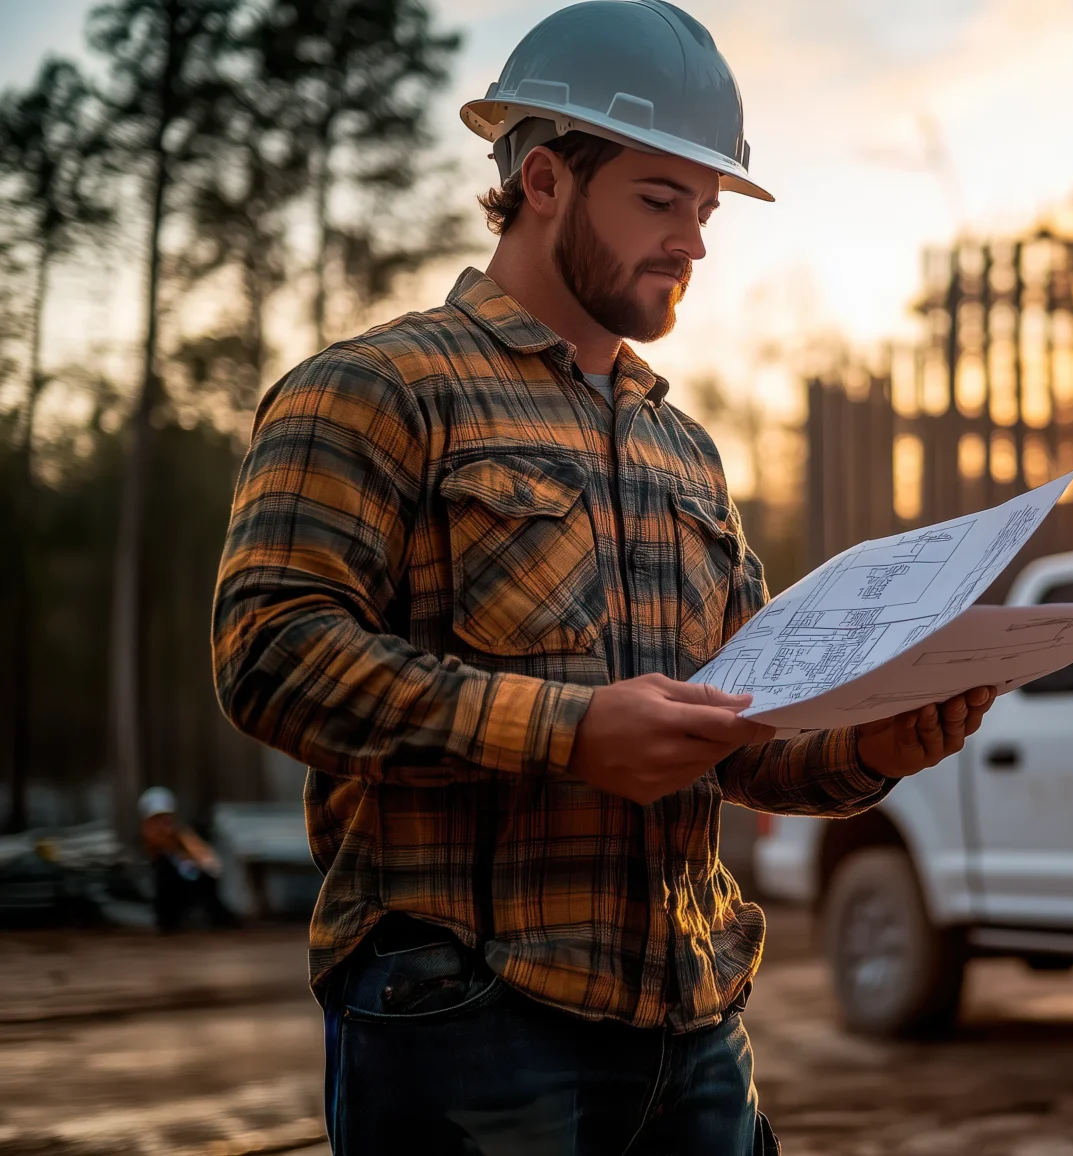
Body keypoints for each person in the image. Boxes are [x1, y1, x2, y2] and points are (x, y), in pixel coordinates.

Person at [209, 4, 992, 1152]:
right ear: (543, 180)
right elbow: (271, 654)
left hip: (695, 1028)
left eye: (705, 208)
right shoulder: (374, 388)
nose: (694, 241)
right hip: (469, 1019)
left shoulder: (685, 453)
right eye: (659, 199)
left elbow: (743, 736)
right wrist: (565, 731)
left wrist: (881, 742)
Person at [138, 786, 236, 933]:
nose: (162, 827)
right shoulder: (152, 846)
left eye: (166, 820)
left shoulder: (184, 837)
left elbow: (210, 864)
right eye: (156, 820)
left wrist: (192, 860)